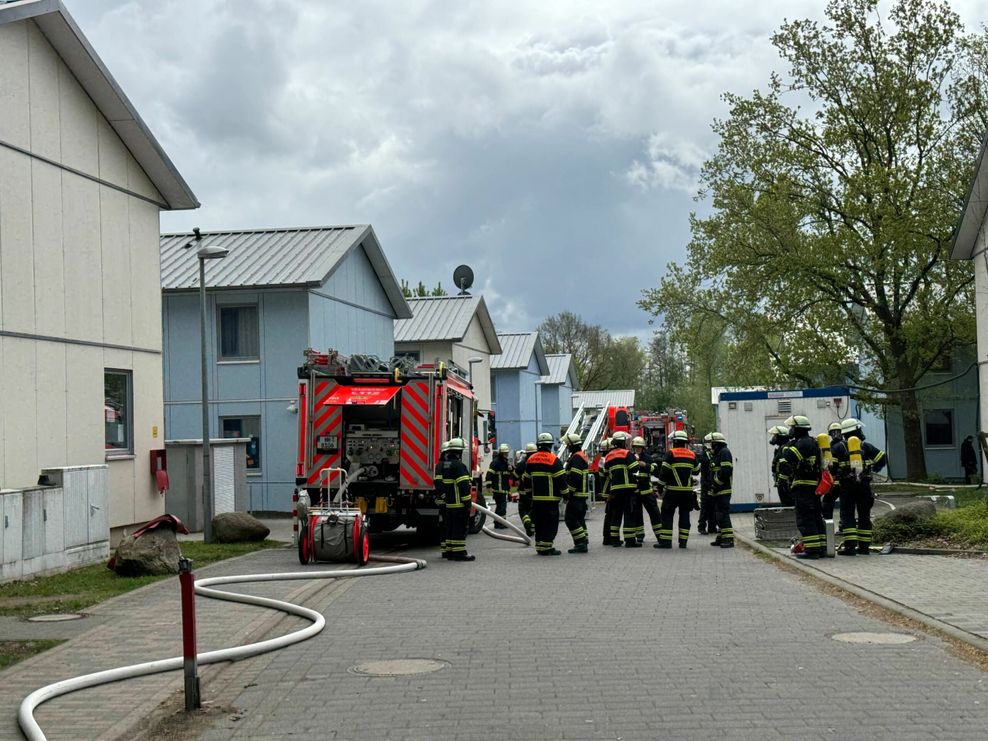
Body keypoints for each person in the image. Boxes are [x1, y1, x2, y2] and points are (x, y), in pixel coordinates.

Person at [831, 418, 887, 555]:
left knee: (847, 515)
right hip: (864, 485)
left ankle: (850, 547)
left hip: (846, 487)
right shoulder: (866, 446)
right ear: (856, 430)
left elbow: (831, 467)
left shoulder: (838, 448)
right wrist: (874, 468)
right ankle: (864, 547)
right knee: (864, 515)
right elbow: (882, 459)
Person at [778, 415, 824, 559]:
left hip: (803, 486)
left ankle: (811, 550)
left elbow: (789, 456)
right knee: (816, 517)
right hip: (813, 486)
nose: (790, 430)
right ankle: (821, 547)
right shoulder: (812, 442)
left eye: (792, 427)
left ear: (798, 429)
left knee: (805, 518)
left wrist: (787, 446)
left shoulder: (803, 443)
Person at [523, 432, 567, 555]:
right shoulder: (553, 460)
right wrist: (566, 494)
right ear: (550, 445)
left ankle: (540, 546)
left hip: (536, 500)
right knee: (550, 524)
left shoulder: (531, 460)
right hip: (551, 499)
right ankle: (547, 548)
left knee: (539, 523)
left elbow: (526, 480)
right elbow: (561, 480)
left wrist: (529, 495)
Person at [656, 430, 699, 548]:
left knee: (667, 514)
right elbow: (696, 471)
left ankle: (666, 542)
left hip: (672, 492)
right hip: (687, 493)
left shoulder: (671, 453)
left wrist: (659, 487)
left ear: (674, 442)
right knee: (685, 515)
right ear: (685, 442)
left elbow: (664, 472)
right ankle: (683, 542)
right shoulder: (692, 454)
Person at [603, 431, 640, 547]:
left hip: (614, 490)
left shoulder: (608, 456)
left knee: (616, 514)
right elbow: (635, 469)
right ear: (623, 442)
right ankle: (630, 541)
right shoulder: (627, 453)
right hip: (628, 489)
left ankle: (615, 540)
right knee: (629, 514)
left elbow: (606, 472)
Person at [441, 437, 475, 561]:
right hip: (459, 504)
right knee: (459, 529)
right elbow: (464, 486)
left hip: (449, 504)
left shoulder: (445, 465)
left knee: (450, 528)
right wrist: (467, 503)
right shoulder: (459, 466)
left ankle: (450, 551)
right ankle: (459, 553)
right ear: (459, 452)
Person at [562, 432, 591, 553]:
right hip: (581, 496)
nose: (567, 447)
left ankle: (580, 543)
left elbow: (575, 477)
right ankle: (584, 539)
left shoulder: (576, 458)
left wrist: (568, 493)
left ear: (572, 445)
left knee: (570, 519)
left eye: (568, 445)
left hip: (576, 496)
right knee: (579, 519)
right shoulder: (580, 456)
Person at [632, 436, 662, 543]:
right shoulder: (630, 457)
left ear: (643, 448)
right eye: (636, 447)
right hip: (635, 491)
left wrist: (645, 465)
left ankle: (660, 535)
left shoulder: (648, 457)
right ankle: (639, 535)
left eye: (639, 448)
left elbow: (655, 469)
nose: (637, 449)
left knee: (654, 513)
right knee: (636, 514)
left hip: (647, 491)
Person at [707, 432, 735, 548]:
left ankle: (728, 539)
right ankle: (721, 536)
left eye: (712, 443)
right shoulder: (719, 453)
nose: (711, 446)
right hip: (718, 490)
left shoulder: (724, 452)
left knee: (723, 514)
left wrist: (716, 484)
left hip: (723, 490)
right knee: (718, 515)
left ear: (717, 444)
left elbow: (725, 472)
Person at [485, 443, 512, 529]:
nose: (506, 455)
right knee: (502, 507)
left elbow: (509, 474)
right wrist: (488, 485)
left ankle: (498, 522)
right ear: (501, 453)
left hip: (503, 489)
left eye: (507, 453)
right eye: (505, 453)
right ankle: (501, 523)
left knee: (500, 506)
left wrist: (512, 468)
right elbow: (489, 474)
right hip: (498, 489)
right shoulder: (496, 462)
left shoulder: (505, 463)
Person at [821, 422, 844, 519]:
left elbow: (827, 466)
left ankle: (828, 526)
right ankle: (843, 525)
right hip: (845, 481)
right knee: (846, 504)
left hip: (833, 482)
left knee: (827, 504)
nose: (836, 435)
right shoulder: (846, 445)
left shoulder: (829, 447)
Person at [697, 433, 717, 535]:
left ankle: (712, 527)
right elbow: (701, 461)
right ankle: (701, 527)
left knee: (713, 506)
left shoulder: (715, 453)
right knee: (705, 506)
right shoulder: (705, 453)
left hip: (712, 482)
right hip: (706, 483)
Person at [515, 443, 537, 537]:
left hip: (523, 492)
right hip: (535, 492)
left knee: (523, 509)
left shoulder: (522, 463)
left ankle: (527, 522)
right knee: (533, 510)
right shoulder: (538, 462)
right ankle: (532, 528)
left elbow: (515, 476)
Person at [769, 425, 793, 506]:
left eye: (776, 436)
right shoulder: (781, 448)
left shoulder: (785, 449)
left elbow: (786, 467)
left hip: (786, 484)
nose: (774, 438)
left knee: (788, 504)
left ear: (781, 437)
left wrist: (782, 482)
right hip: (783, 483)